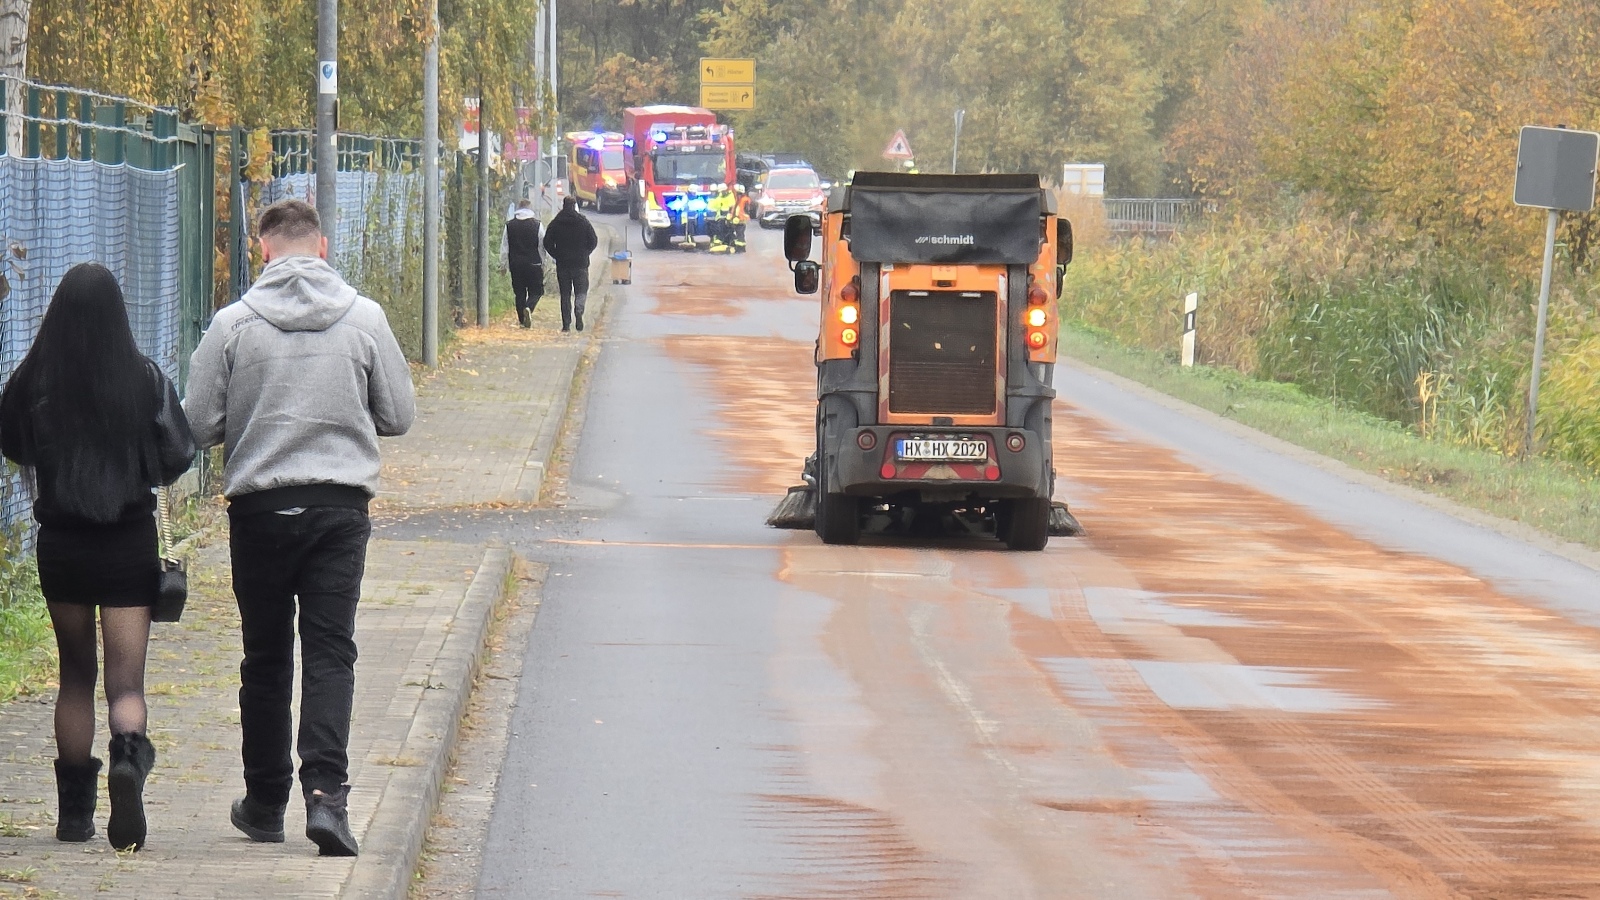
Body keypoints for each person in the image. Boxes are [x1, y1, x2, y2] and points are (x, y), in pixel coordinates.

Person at [184, 199, 416, 857]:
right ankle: (328, 800)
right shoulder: (364, 319)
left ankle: (263, 803)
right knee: (330, 651)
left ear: (262, 250)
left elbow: (196, 426)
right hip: (339, 513)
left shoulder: (232, 326)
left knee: (264, 659)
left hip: (258, 513)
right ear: (321, 248)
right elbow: (398, 414)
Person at [0, 262, 197, 852]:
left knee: (74, 676)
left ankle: (73, 818)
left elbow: (11, 442)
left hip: (62, 546)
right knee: (125, 683)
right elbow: (178, 453)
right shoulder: (143, 380)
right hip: (126, 544)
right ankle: (129, 764)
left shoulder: (34, 382)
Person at [542, 195, 598, 332]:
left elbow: (546, 242)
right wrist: (586, 252)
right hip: (581, 264)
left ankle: (566, 325)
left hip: (563, 264)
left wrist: (556, 255)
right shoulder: (583, 222)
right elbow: (594, 240)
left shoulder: (556, 222)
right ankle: (579, 309)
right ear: (574, 206)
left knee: (565, 294)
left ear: (563, 205)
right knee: (581, 290)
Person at [501, 199, 544, 328]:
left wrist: (503, 265)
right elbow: (542, 245)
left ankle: (522, 320)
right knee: (537, 291)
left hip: (516, 264)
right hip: (534, 263)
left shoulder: (509, 225)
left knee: (519, 292)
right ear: (530, 209)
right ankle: (529, 308)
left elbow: (505, 247)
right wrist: (543, 262)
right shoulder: (537, 225)